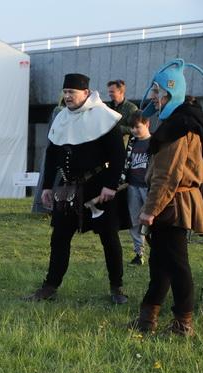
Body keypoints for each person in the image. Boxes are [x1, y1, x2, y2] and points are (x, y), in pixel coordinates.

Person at [26, 73, 129, 304]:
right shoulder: (62, 117)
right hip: (68, 188)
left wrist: (110, 185)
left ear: (85, 93)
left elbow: (118, 155)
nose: (67, 96)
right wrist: (47, 187)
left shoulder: (104, 116)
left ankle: (117, 288)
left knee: (109, 238)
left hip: (99, 188)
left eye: (71, 92)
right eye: (65, 92)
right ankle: (50, 287)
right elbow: (52, 155)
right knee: (59, 238)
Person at [128, 59, 203, 337]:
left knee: (176, 264)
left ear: (170, 93)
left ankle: (183, 324)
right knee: (159, 263)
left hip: (173, 203)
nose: (152, 96)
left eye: (157, 91)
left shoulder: (179, 127)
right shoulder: (176, 122)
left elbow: (167, 176)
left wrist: (149, 210)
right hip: (169, 200)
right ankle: (147, 318)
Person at [124, 111, 152, 265]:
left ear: (147, 124)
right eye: (132, 127)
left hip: (149, 188)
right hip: (133, 186)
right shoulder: (131, 142)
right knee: (134, 221)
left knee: (151, 220)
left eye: (137, 127)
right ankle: (139, 253)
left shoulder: (154, 142)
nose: (134, 130)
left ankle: (156, 250)